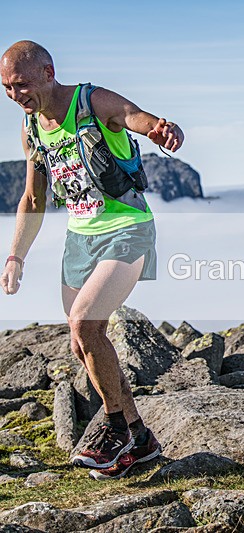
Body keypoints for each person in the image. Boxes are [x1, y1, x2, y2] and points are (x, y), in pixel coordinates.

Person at [0, 41, 184, 477]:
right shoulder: (32, 128)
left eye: (21, 84)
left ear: (48, 72)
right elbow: (33, 197)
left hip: (127, 229)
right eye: (6, 88)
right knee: (84, 345)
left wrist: (158, 128)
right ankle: (140, 439)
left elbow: (133, 116)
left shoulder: (90, 100)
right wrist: (15, 257)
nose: (14, 95)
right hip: (79, 241)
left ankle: (114, 426)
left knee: (86, 324)